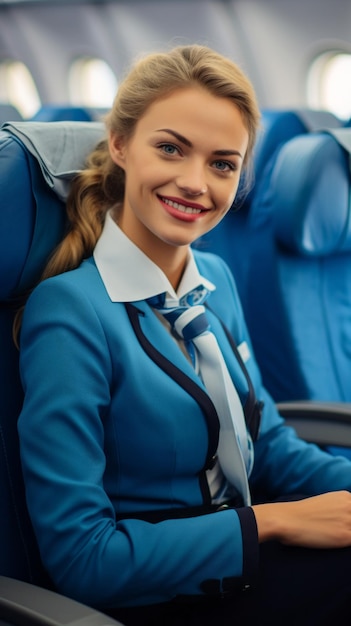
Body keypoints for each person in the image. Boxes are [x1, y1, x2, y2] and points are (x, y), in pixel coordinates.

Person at [17, 44, 351, 626]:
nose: (196, 182)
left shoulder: (215, 279)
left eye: (222, 163)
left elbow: (267, 443)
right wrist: (273, 522)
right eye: (170, 148)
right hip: (158, 596)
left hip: (240, 566)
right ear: (120, 145)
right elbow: (82, 559)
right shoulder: (70, 311)